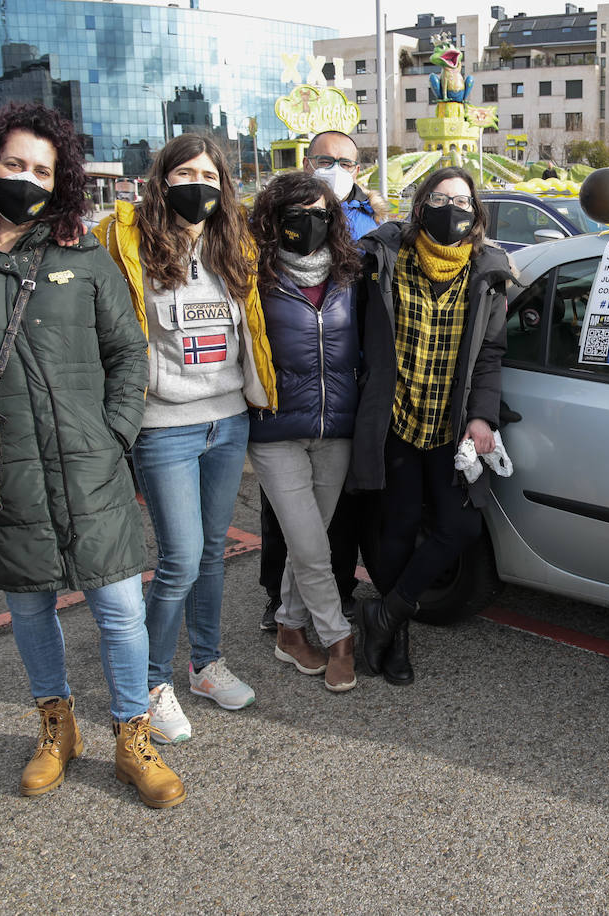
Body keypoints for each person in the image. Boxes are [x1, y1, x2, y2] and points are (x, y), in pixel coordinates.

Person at [0, 103, 185, 808]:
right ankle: (57, 728)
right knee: (29, 609)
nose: (27, 179)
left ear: (63, 180)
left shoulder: (81, 257)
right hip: (1, 478)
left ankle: (131, 737)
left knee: (120, 610)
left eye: (43, 169)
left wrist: (115, 433)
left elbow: (126, 352)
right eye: (14, 164)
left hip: (91, 469)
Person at [94, 133, 277, 743]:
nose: (199, 184)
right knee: (177, 559)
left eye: (210, 174)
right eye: (185, 174)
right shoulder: (130, 246)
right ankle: (149, 682)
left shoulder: (232, 244)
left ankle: (205, 664)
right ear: (162, 180)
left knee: (212, 552)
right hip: (164, 425)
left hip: (227, 421)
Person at [351, 166, 512, 686]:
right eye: (441, 199)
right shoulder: (386, 258)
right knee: (397, 526)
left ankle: (386, 612)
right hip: (396, 418)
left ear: (477, 214)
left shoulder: (488, 272)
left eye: (463, 202)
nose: (452, 210)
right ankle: (394, 640)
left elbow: (489, 354)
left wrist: (482, 415)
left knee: (459, 526)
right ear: (420, 207)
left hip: (450, 424)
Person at [257, 128, 384, 633]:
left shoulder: (363, 239)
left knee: (323, 528)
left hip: (338, 416)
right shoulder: (255, 259)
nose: (337, 168)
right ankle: (328, 632)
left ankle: (297, 619)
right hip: (280, 421)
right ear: (307, 162)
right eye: (326, 159)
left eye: (347, 162)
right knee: (295, 531)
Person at [247, 172, 361, 692]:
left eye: (321, 213)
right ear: (274, 219)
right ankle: (339, 638)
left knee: (305, 540)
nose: (310, 224)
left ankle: (290, 631)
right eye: (297, 214)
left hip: (336, 428)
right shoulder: (253, 274)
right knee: (314, 546)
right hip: (276, 431)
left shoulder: (349, 275)